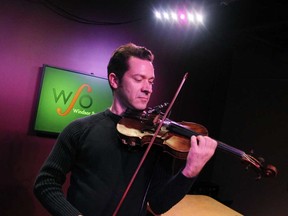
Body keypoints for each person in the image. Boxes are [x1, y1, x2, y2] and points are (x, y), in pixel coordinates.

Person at [34, 43, 217, 216]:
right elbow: (46, 183)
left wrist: (190, 172)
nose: (148, 89)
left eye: (151, 81)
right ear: (114, 80)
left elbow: (157, 206)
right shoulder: (79, 130)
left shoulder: (156, 141)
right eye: (139, 79)